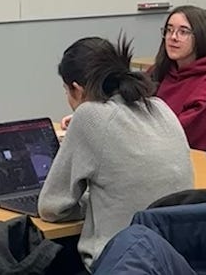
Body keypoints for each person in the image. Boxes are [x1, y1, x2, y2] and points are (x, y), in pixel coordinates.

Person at [38, 36, 193, 270]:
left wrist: (93, 203)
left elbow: (51, 207)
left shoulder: (89, 116)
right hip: (177, 260)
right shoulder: (160, 107)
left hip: (124, 264)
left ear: (77, 89)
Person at [146, 5, 206, 151]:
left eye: (183, 32)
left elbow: (184, 135)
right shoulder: (159, 71)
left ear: (199, 37)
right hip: (150, 150)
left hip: (185, 160)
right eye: (169, 30)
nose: (173, 37)